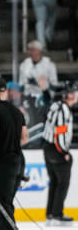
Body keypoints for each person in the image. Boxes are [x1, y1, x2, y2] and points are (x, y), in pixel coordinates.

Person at [0, 76, 29, 230]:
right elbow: (25, 137)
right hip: (19, 162)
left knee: (2, 206)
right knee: (7, 203)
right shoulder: (17, 111)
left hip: (4, 164)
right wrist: (11, 144)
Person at [42, 81, 78, 226]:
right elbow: (60, 133)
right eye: (75, 92)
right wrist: (64, 152)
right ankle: (57, 214)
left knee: (55, 182)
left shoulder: (56, 105)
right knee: (62, 183)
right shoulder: (64, 109)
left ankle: (50, 214)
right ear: (69, 95)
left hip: (47, 147)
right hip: (57, 149)